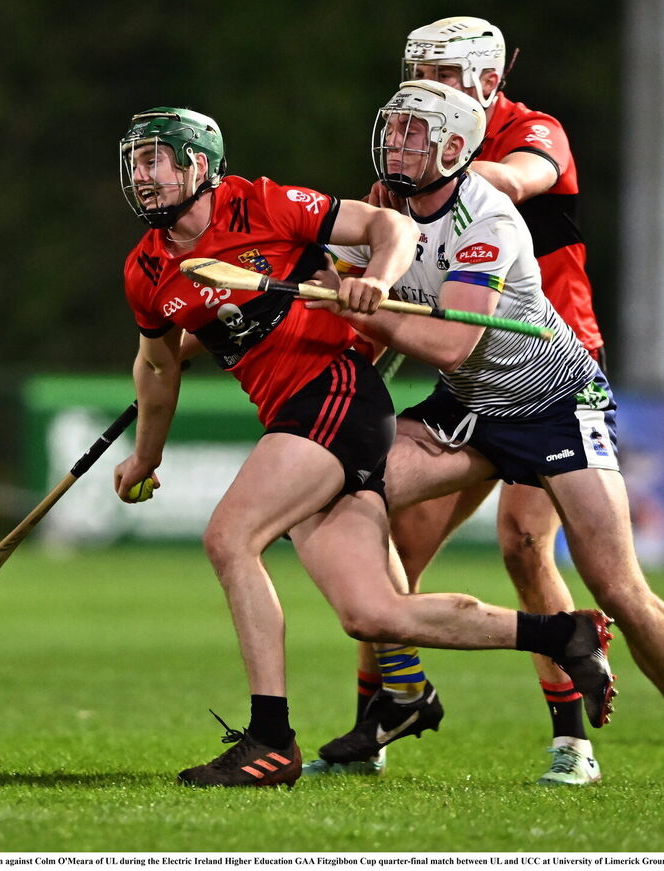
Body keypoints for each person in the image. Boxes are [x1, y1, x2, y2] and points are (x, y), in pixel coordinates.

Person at [112, 106, 617, 788]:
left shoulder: (262, 203)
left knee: (230, 537)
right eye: (135, 163)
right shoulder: (145, 269)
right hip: (293, 412)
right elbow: (158, 366)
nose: (141, 177)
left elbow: (391, 225)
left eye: (155, 161)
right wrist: (147, 454)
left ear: (197, 165)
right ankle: (562, 635)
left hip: (334, 392)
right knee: (372, 612)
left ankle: (270, 739)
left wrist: (375, 279)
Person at [308, 80, 664, 789]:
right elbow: (356, 298)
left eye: (414, 133)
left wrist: (367, 311)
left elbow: (451, 342)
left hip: (556, 405)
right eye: (393, 129)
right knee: (346, 493)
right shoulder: (384, 206)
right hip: (471, 410)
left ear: (455, 146)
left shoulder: (489, 219)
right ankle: (402, 691)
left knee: (616, 584)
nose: (396, 143)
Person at [308, 14, 611, 787]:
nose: (425, 94)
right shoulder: (414, 144)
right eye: (417, 77)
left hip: (546, 366)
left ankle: (572, 741)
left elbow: (516, 179)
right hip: (464, 375)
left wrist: (434, 176)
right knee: (385, 535)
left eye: (442, 80)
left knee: (523, 546)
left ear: (483, 79)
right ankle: (383, 714)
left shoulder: (530, 130)